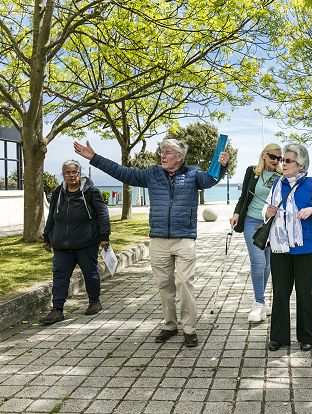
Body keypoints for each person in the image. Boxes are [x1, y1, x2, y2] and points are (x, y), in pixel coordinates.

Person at [74, 139, 229, 347]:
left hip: (184, 239)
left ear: (179, 156)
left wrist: (222, 165)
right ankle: (170, 325)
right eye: (162, 152)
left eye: (168, 152)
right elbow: (123, 173)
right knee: (164, 285)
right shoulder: (153, 174)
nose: (162, 156)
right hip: (158, 240)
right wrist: (94, 158)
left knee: (184, 284)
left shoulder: (193, 174)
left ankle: (189, 329)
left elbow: (211, 179)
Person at [263, 143, 312, 352]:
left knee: (304, 294)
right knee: (280, 293)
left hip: (307, 249)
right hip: (280, 249)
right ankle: (279, 337)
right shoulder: (276, 184)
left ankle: (307, 337)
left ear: (300, 165)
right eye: (282, 160)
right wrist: (268, 212)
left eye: (288, 160)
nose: (282, 163)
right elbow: (265, 208)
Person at [40, 160, 110, 324]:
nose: (71, 175)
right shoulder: (58, 193)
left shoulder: (91, 192)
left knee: (90, 273)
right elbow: (52, 217)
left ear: (80, 173)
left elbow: (103, 215)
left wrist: (104, 236)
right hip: (62, 244)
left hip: (86, 242)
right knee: (59, 276)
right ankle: (57, 310)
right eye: (67, 173)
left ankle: (94, 301)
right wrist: (46, 236)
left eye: (74, 172)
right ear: (63, 174)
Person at [229, 143, 283, 323]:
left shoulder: (281, 176)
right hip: (252, 220)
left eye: (279, 158)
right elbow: (244, 196)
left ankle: (262, 303)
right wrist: (236, 213)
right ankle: (259, 303)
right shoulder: (252, 171)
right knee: (258, 261)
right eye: (272, 156)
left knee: (267, 264)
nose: (275, 160)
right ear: (264, 155)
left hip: (271, 224)